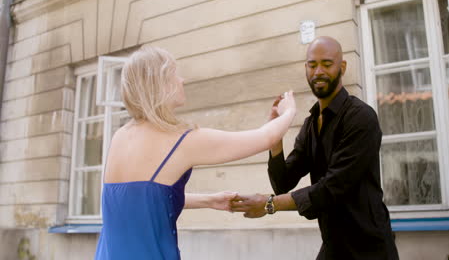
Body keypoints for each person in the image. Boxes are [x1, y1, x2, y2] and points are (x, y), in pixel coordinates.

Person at [94, 46, 296, 260]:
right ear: (160, 84)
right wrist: (289, 110)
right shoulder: (181, 140)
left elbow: (146, 200)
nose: (182, 80)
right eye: (174, 74)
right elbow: (266, 138)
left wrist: (209, 200)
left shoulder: (120, 137)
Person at [231, 36, 399, 260]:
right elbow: (283, 182)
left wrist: (269, 204)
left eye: (327, 64)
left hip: (368, 247)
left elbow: (332, 188)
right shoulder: (311, 124)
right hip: (333, 244)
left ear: (342, 67)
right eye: (312, 65)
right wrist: (275, 135)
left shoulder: (361, 118)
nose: (318, 71)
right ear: (306, 69)